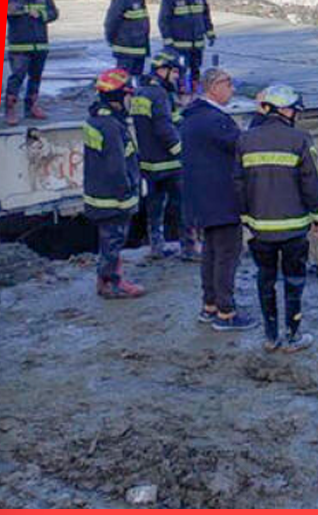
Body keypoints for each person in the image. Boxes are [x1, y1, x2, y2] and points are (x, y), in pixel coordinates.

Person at [234, 85, 318, 352]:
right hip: (294, 228)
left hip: (260, 229)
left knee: (265, 279)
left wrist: (246, 217)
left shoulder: (245, 140)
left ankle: (270, 336)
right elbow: (314, 183)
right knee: (294, 280)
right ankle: (293, 336)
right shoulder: (301, 139)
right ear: (286, 111)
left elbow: (238, 183)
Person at [182, 68, 258, 331]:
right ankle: (226, 313)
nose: (232, 89)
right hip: (221, 199)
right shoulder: (215, 120)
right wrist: (261, 117)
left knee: (211, 254)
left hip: (203, 200)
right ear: (214, 86)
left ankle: (210, 305)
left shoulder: (193, 116)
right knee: (227, 255)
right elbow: (243, 144)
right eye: (229, 84)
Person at [83, 68, 146, 300]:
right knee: (114, 240)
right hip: (113, 198)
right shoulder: (111, 127)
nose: (131, 101)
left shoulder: (97, 119)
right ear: (118, 97)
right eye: (128, 95)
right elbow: (116, 166)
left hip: (99, 193)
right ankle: (113, 283)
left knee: (108, 240)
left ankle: (105, 280)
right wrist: (127, 193)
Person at [132, 49, 187, 260]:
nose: (177, 77)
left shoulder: (141, 92)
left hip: (149, 162)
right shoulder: (159, 94)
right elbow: (164, 128)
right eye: (175, 72)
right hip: (169, 163)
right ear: (163, 70)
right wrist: (181, 151)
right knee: (182, 205)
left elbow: (162, 121)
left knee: (154, 206)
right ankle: (189, 246)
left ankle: (156, 245)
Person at [4, 0, 59, 126]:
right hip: (19, 46)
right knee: (17, 77)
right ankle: (10, 109)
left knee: (35, 77)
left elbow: (54, 13)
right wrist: (18, 10)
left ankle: (31, 107)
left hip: (40, 44)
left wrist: (41, 14)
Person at [159, 0, 213, 92]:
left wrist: (210, 33)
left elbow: (205, 16)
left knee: (196, 69)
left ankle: (195, 91)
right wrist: (168, 39)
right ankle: (179, 92)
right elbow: (163, 20)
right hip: (179, 45)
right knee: (179, 71)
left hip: (197, 43)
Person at [104, 0, 150, 78]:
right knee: (123, 79)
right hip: (126, 51)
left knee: (136, 80)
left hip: (139, 50)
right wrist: (111, 39)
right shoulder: (122, 1)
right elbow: (111, 22)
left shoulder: (139, 2)